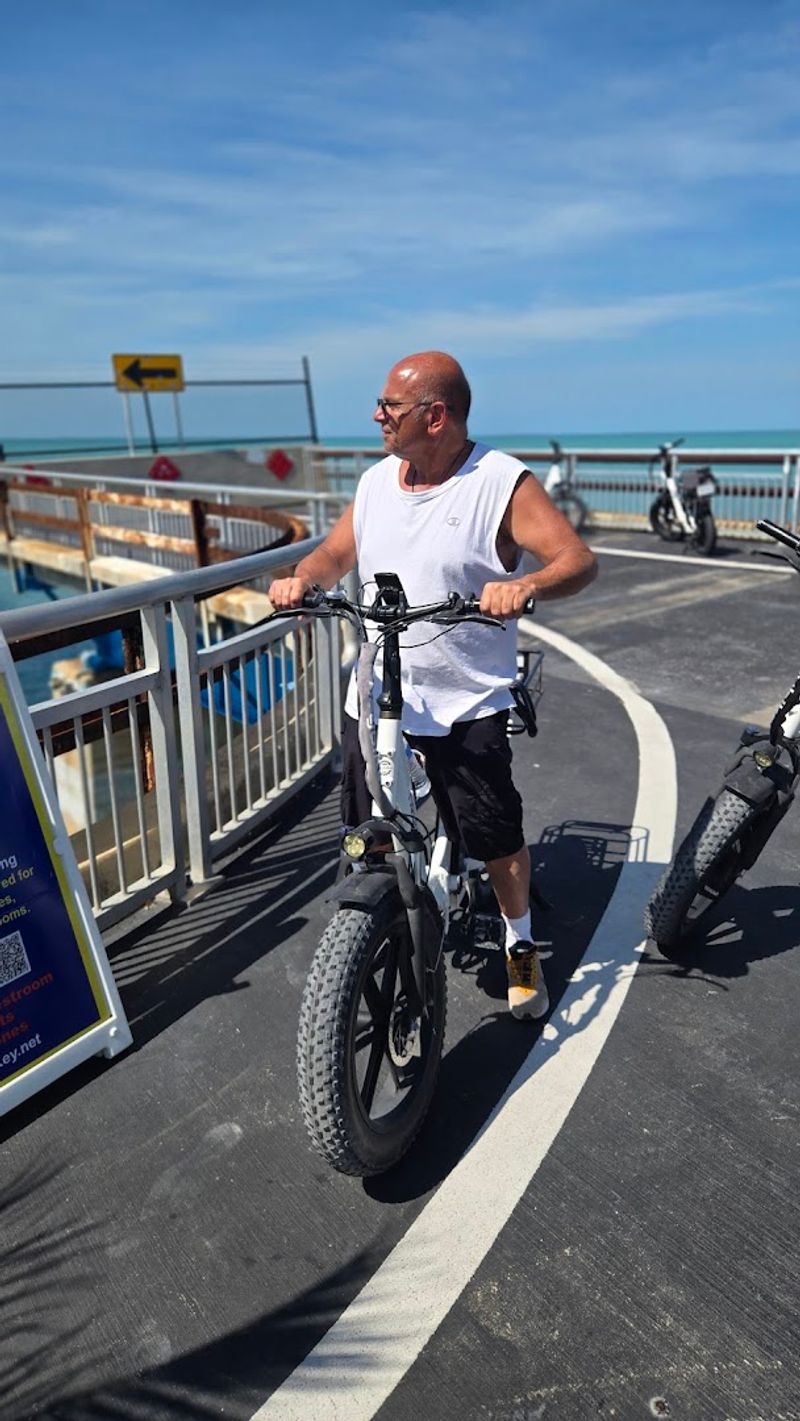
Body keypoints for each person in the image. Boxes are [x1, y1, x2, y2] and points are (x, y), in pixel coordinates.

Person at [269, 351, 597, 1020]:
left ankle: (519, 939)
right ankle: (385, 920)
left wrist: (525, 585)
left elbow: (576, 559)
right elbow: (337, 552)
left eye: (390, 405)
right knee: (370, 830)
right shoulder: (376, 483)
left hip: (464, 697)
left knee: (495, 837)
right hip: (380, 691)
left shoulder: (499, 483)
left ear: (436, 416)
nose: (377, 415)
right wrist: (306, 576)